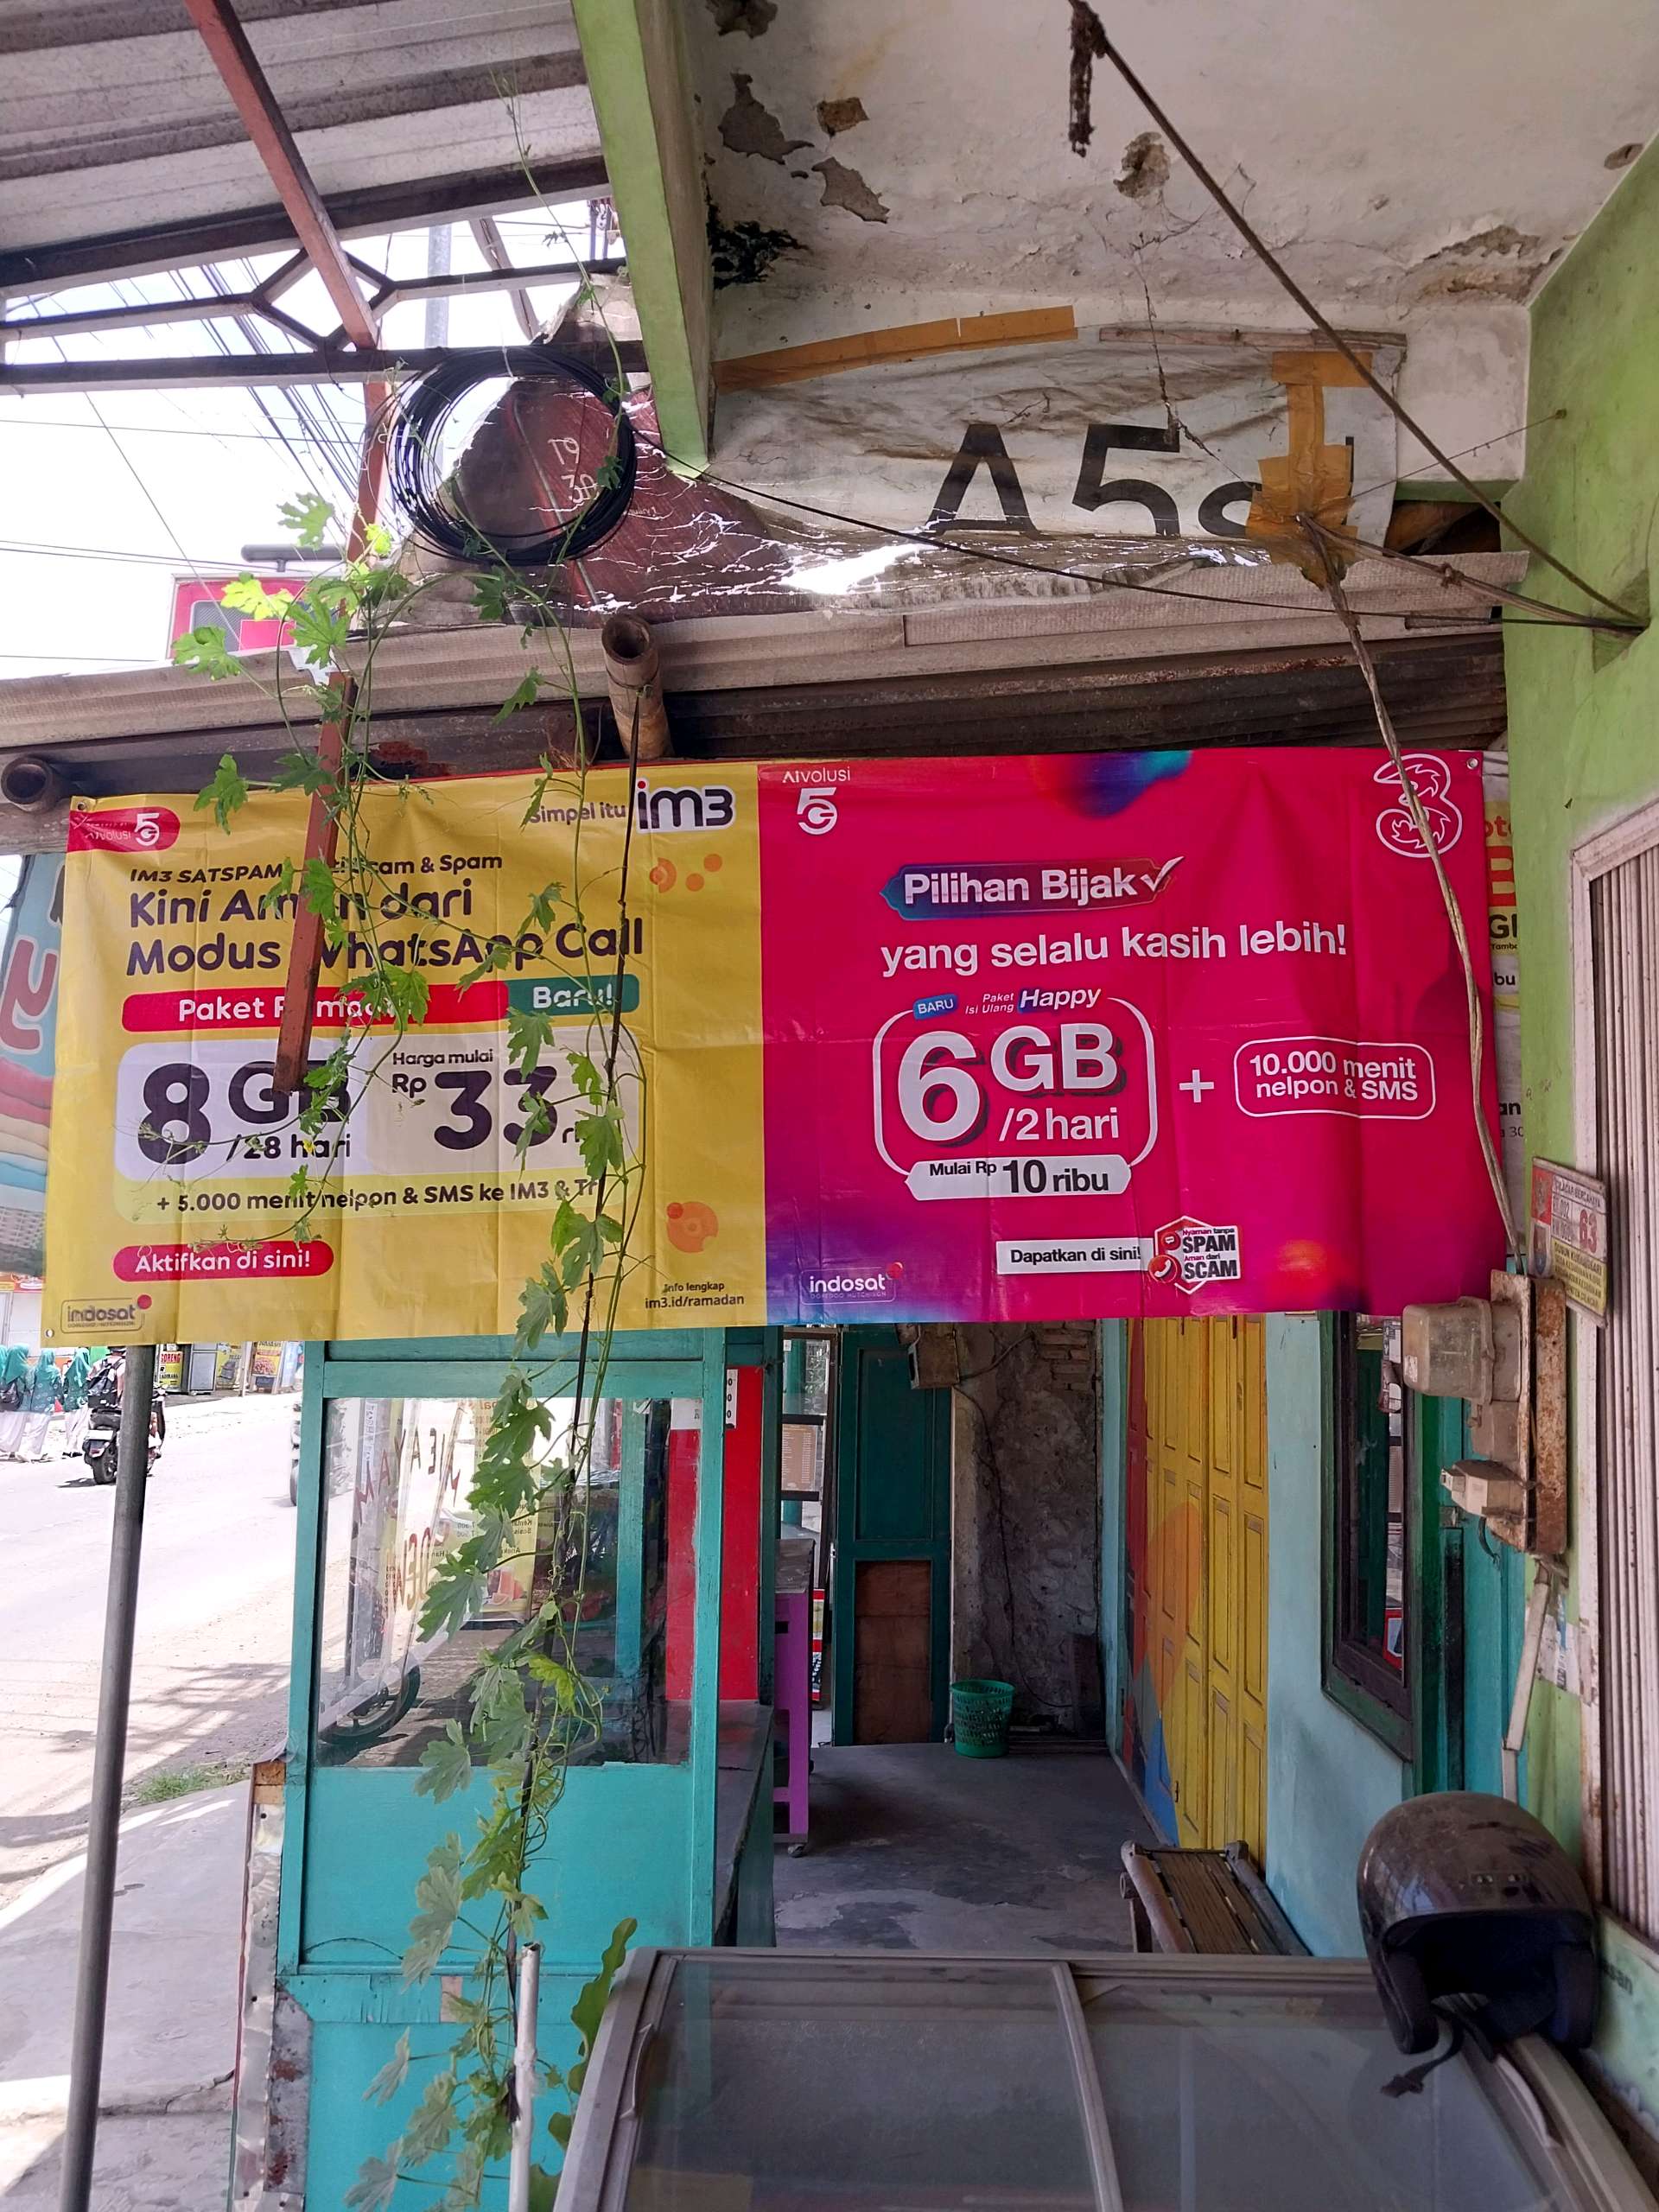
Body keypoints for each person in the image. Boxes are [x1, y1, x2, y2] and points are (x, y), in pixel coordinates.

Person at [16, 1349, 60, 1462]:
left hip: (34, 1404)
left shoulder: (35, 1369)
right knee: (37, 1430)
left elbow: (29, 1384)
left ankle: (38, 1453)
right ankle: (23, 1451)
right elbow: (57, 1388)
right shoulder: (55, 1371)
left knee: (38, 1429)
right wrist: (62, 1401)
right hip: (47, 1405)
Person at [60, 1346, 92, 1456]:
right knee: (80, 1426)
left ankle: (73, 1448)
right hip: (83, 1402)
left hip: (70, 1401)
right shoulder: (89, 1372)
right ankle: (70, 1449)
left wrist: (65, 1398)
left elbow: (64, 1387)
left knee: (69, 1426)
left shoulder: (69, 1372)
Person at [0, 1343, 29, 1459]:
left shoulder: (6, 1369)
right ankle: (11, 1449)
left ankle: (8, 1448)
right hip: (21, 1403)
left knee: (5, 1425)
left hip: (6, 1402)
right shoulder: (26, 1369)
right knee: (17, 1428)